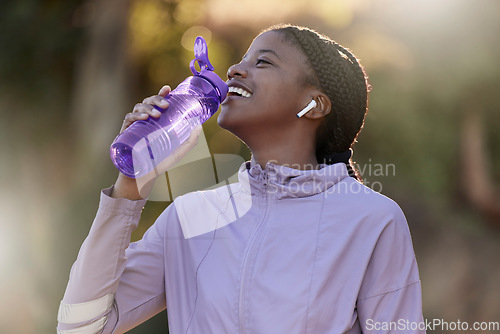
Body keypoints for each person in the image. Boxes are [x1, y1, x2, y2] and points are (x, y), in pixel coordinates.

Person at [57, 24, 425, 334]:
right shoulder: (192, 218)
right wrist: (130, 185)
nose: (234, 69)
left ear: (315, 104)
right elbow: (82, 325)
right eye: (242, 59)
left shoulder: (371, 220)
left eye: (262, 62)